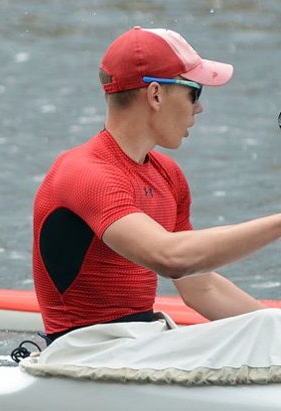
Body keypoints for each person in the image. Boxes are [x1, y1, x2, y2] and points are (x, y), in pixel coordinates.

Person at [24, 26, 281, 382]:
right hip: (86, 352)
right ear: (156, 95)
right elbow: (170, 257)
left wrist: (273, 330)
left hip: (143, 343)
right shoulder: (84, 172)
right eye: (194, 92)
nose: (200, 107)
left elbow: (201, 288)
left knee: (271, 323)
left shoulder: (168, 175)